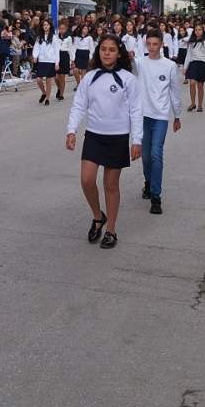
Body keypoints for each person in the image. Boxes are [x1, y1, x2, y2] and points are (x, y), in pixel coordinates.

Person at [66, 35, 142, 249]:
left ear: (119, 53)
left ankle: (111, 230)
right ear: (98, 52)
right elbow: (79, 105)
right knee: (87, 180)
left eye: (111, 49)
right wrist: (71, 130)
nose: (107, 53)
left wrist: (137, 140)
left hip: (118, 137)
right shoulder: (90, 77)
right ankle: (98, 216)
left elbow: (136, 111)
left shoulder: (128, 79)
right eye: (103, 49)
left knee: (111, 184)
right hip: (94, 135)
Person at [135, 29, 182, 215]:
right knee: (145, 156)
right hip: (142, 116)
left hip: (161, 116)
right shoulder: (139, 63)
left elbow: (175, 91)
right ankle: (148, 181)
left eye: (156, 44)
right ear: (146, 44)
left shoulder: (169, 65)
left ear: (161, 45)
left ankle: (156, 196)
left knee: (156, 154)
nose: (152, 48)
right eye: (149, 44)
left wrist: (177, 115)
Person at [32, 24, 58, 105]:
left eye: (47, 25)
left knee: (48, 80)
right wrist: (35, 56)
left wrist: (57, 62)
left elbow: (56, 50)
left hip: (50, 61)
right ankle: (44, 92)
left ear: (50, 26)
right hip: (42, 61)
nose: (45, 26)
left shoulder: (54, 37)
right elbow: (36, 47)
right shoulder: (39, 37)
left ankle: (47, 99)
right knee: (39, 79)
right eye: (44, 25)